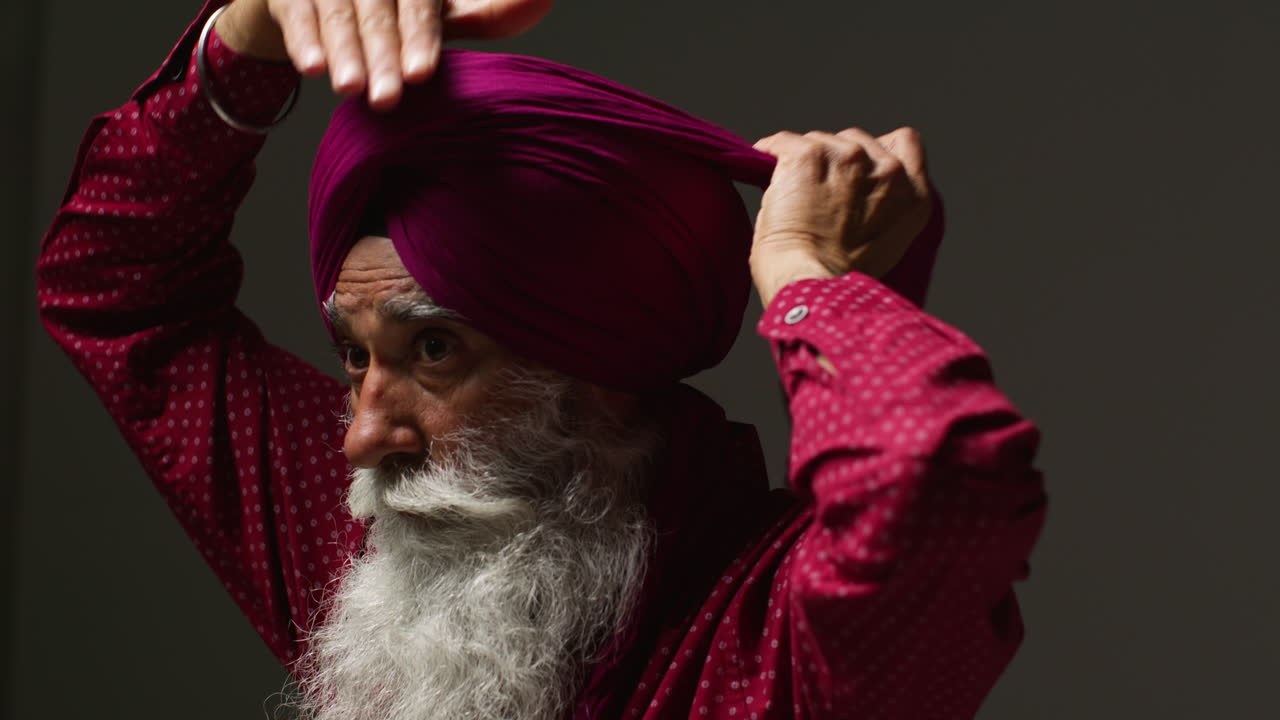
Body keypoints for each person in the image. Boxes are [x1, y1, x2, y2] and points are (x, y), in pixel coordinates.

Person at [36, 0, 1047, 717]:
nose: (361, 434)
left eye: (434, 350)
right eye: (353, 356)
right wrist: (249, 34)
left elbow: (940, 487)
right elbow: (116, 291)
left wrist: (804, 274)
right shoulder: (377, 553)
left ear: (596, 375)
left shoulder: (779, 638)